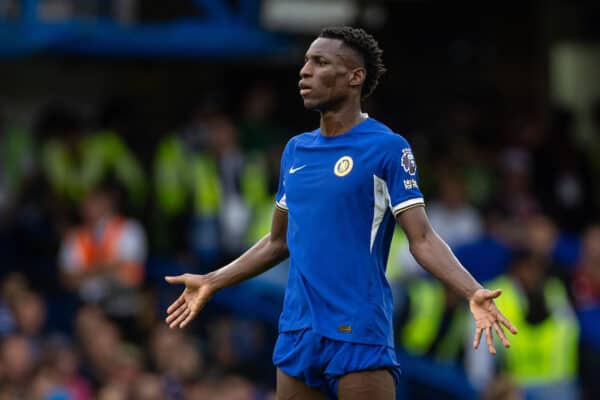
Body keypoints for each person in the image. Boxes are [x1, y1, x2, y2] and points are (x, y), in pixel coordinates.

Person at [164, 26, 517, 399]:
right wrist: (212, 280)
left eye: (319, 62)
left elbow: (423, 238)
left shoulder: (387, 148)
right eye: (305, 63)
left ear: (355, 76)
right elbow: (277, 242)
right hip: (298, 331)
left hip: (358, 331)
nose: (305, 71)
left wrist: (471, 291)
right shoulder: (295, 151)